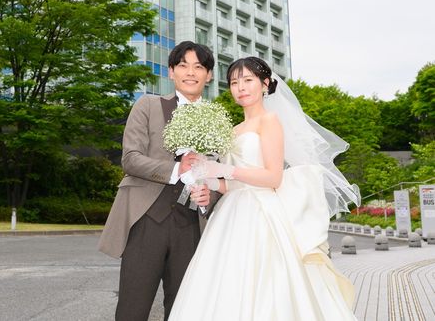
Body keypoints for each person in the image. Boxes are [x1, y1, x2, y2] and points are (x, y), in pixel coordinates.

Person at [169, 56, 361, 321]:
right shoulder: (232, 130)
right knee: (225, 283)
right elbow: (233, 183)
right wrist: (209, 180)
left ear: (265, 84)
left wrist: (222, 169)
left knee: (267, 284)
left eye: (248, 80)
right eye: (234, 82)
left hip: (262, 212)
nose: (241, 87)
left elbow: (273, 177)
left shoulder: (269, 121)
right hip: (229, 213)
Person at [98, 40, 218, 321]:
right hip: (146, 220)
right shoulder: (148, 105)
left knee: (183, 311)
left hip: (191, 226)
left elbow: (221, 174)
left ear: (209, 75)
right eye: (183, 65)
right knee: (132, 309)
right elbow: (130, 158)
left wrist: (209, 197)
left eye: (199, 67)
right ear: (171, 72)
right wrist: (176, 169)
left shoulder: (217, 121)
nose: (191, 72)